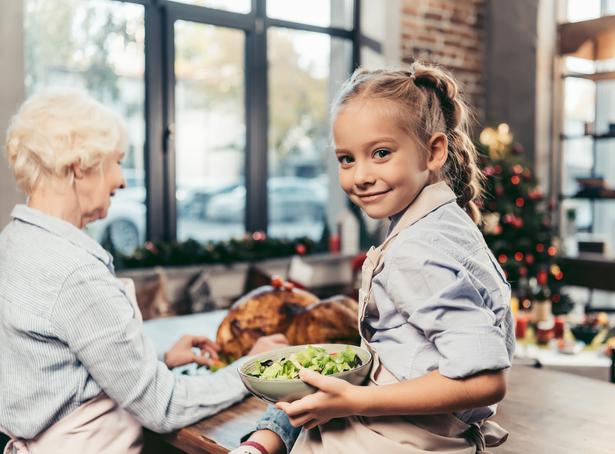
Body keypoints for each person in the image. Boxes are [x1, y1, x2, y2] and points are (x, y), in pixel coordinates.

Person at [235, 62, 515, 454]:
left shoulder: (418, 250)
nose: (359, 176)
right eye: (346, 159)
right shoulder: (443, 224)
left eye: (380, 153)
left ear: (434, 151)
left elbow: (485, 380)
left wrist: (355, 401)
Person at [0, 88, 288, 454]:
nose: (121, 180)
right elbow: (162, 407)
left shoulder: (14, 241)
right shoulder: (74, 273)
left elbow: (54, 374)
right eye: (116, 162)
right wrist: (251, 368)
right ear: (79, 166)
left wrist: (156, 358)